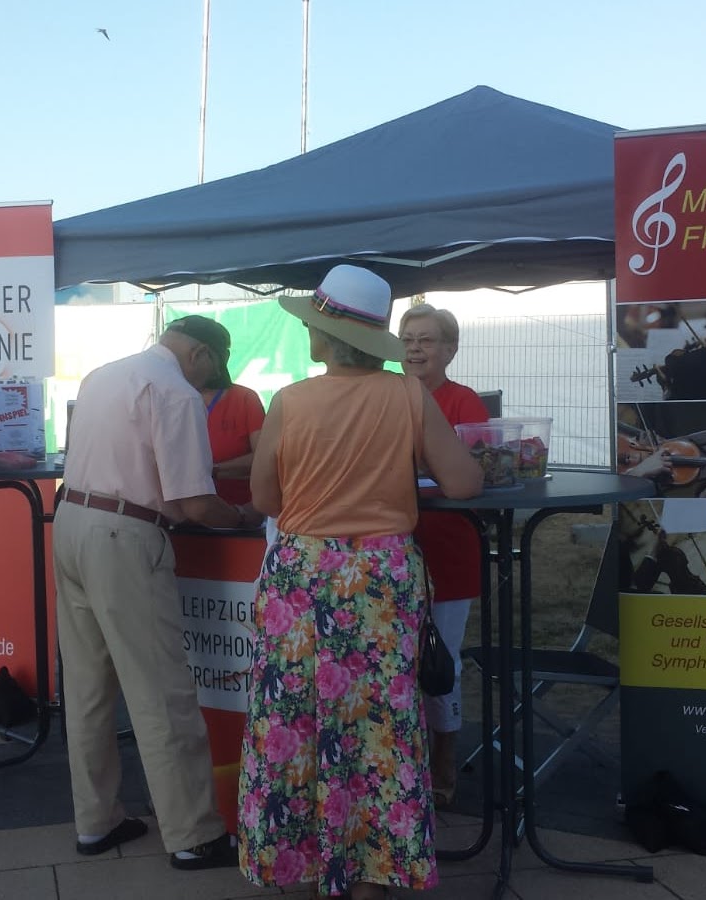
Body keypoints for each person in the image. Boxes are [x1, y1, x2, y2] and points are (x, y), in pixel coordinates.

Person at [238, 265, 483, 899]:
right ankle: (371, 872)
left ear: (325, 334)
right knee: (378, 728)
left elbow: (265, 497)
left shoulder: (289, 402)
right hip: (382, 578)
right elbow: (462, 483)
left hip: (302, 577)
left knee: (293, 717)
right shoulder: (408, 395)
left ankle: (307, 864)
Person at [54, 314, 262, 869]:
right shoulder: (174, 391)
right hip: (125, 536)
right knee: (162, 692)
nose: (210, 382)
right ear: (199, 354)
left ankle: (96, 821)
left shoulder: (103, 374)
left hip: (71, 522)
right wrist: (242, 513)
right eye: (213, 367)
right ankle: (194, 834)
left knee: (87, 689)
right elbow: (194, 502)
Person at [397, 303, 487, 806]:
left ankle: (444, 762)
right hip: (390, 549)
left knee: (438, 664)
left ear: (449, 350)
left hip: (446, 552)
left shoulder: (464, 402)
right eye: (408, 338)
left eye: (426, 340)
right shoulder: (385, 395)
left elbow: (464, 475)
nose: (414, 348)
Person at [189, 318, 266, 505]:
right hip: (183, 515)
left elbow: (264, 457)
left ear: (225, 357)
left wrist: (212, 471)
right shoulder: (173, 397)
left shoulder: (245, 399)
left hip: (240, 512)